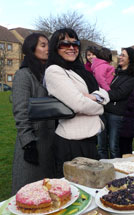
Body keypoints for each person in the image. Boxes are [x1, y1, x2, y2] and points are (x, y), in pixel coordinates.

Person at [44, 28, 109, 177]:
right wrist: (101, 106)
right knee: (76, 191)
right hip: (71, 143)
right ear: (55, 47)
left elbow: (105, 93)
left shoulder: (79, 69)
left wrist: (94, 97)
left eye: (75, 43)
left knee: (92, 187)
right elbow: (79, 104)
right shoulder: (54, 70)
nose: (72, 48)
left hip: (90, 139)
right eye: (64, 44)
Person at [11, 33, 56, 195]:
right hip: (33, 142)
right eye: (43, 45)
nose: (48, 49)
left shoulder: (47, 73)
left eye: (48, 45)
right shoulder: (24, 75)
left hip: (50, 140)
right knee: (29, 192)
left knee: (49, 192)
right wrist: (28, 143)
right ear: (32, 49)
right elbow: (20, 111)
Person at [98, 47, 134, 159]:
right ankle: (103, 167)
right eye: (120, 55)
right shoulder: (115, 73)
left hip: (116, 115)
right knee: (102, 146)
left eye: (123, 55)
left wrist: (100, 95)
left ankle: (116, 169)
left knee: (114, 146)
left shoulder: (132, 77)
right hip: (104, 111)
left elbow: (119, 94)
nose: (120, 57)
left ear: (130, 59)